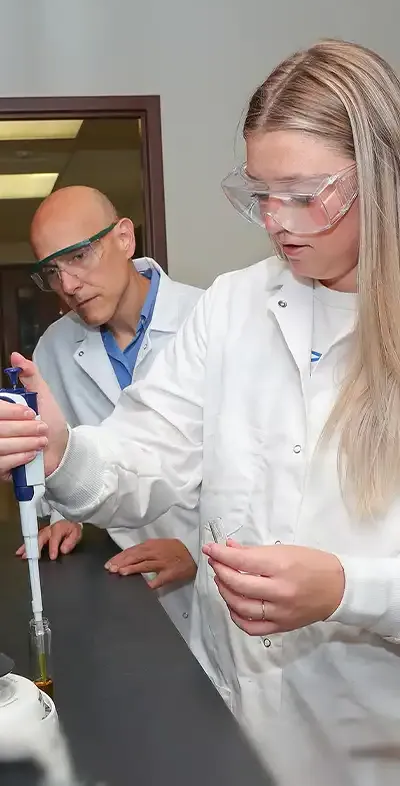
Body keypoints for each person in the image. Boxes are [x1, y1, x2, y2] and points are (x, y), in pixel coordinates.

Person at [1, 38, 400, 784]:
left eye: (304, 195)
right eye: (259, 193)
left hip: (373, 742)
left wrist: (349, 589)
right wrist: (61, 449)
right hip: (234, 715)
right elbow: (147, 453)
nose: (276, 220)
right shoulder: (236, 306)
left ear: (380, 175)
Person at [16, 186, 202, 642]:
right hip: (119, 586)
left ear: (124, 238)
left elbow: (267, 469)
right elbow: (55, 456)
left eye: (79, 256)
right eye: (53, 271)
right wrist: (63, 513)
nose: (68, 285)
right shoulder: (55, 349)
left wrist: (200, 551)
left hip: (220, 579)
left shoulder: (209, 320)